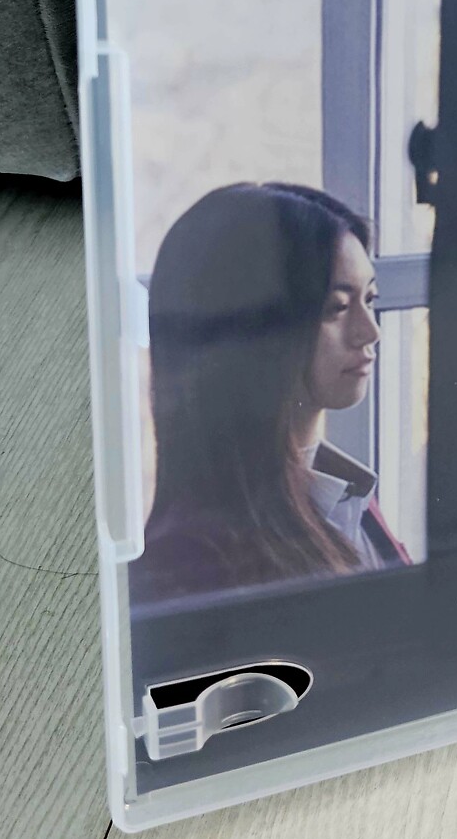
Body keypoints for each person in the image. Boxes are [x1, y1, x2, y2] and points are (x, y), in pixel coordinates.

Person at [133, 183, 410, 603]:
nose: (370, 331)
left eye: (370, 299)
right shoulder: (193, 561)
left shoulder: (351, 502)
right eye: (337, 307)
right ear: (253, 331)